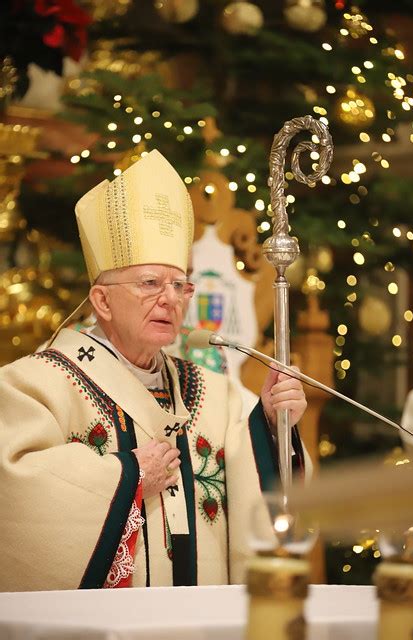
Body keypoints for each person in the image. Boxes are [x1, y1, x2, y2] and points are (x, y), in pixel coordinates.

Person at [0, 150, 307, 591]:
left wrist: (275, 428)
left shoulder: (215, 393)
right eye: (149, 283)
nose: (170, 299)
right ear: (102, 301)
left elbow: (258, 493)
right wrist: (125, 476)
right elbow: (15, 494)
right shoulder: (36, 385)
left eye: (180, 286)